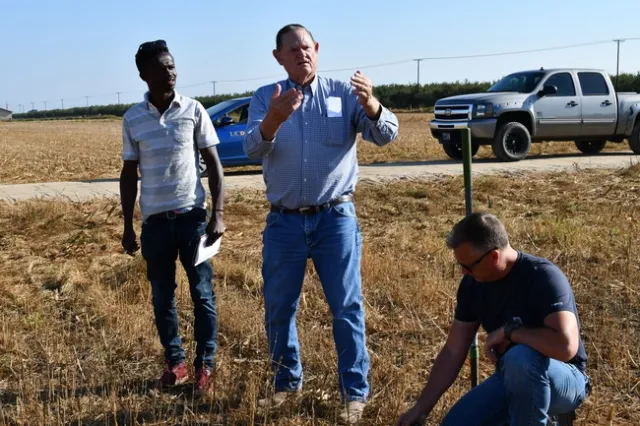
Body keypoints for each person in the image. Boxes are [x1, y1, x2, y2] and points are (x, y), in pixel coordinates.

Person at [243, 23, 399, 424]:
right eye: (292, 50)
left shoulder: (344, 94)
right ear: (278, 57)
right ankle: (286, 385)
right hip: (285, 222)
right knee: (280, 306)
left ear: (317, 49)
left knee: (346, 307)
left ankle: (354, 393)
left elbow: (385, 135)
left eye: (307, 47)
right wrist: (273, 120)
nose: (301, 54)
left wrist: (372, 106)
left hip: (335, 218)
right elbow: (251, 148)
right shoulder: (266, 97)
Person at [397, 212, 590, 426]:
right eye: (460, 265)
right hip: (511, 379)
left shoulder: (543, 277)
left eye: (468, 265)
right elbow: (454, 349)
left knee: (520, 357)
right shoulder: (473, 285)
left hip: (566, 380)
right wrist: (421, 407)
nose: (463, 272)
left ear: (493, 257)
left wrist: (512, 332)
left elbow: (565, 347)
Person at [119, 39, 225, 396]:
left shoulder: (194, 110)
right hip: (155, 226)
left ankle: (204, 366)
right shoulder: (133, 119)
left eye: (173, 66)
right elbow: (128, 173)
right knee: (161, 297)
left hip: (195, 220)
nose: (171, 72)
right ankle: (175, 363)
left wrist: (218, 215)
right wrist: (127, 226)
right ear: (144, 74)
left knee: (202, 293)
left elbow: (214, 165)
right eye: (163, 67)